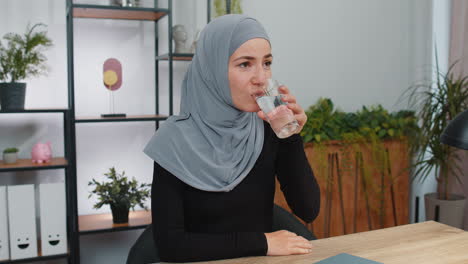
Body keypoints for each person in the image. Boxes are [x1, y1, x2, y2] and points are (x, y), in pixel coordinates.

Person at [143, 14, 320, 262]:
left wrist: (290, 135)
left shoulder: (266, 128)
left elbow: (308, 209)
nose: (261, 78)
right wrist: (263, 242)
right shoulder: (173, 142)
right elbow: (172, 246)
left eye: (266, 63)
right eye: (245, 64)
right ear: (212, 69)